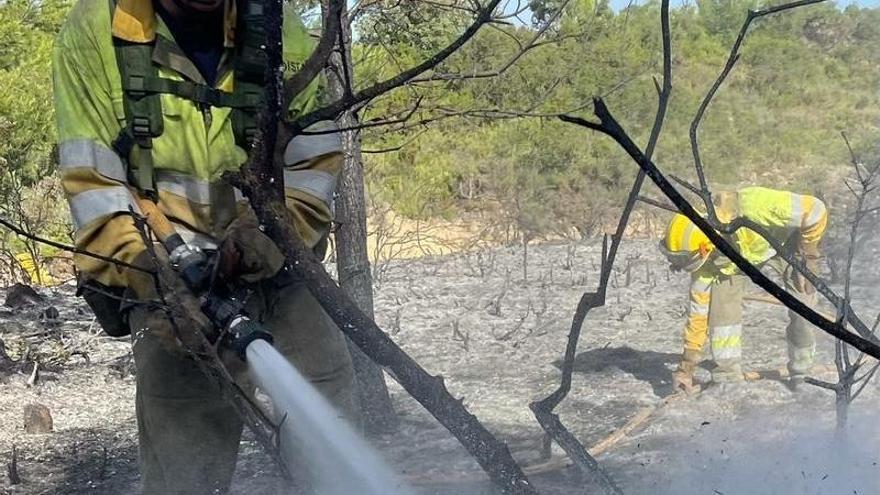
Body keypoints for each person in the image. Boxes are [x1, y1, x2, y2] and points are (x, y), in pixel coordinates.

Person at [52, 0, 358, 492]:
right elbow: (93, 186)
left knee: (326, 410)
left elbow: (314, 155)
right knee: (186, 454)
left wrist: (273, 233)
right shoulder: (98, 30)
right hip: (164, 277)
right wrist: (149, 275)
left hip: (275, 257)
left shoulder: (276, 22)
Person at [659, 186, 827, 394]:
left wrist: (808, 254)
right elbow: (698, 315)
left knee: (803, 309)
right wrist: (686, 367)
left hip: (788, 244)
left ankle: (803, 372)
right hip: (739, 258)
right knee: (722, 312)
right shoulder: (708, 260)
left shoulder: (757, 205)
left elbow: (816, 210)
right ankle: (727, 376)